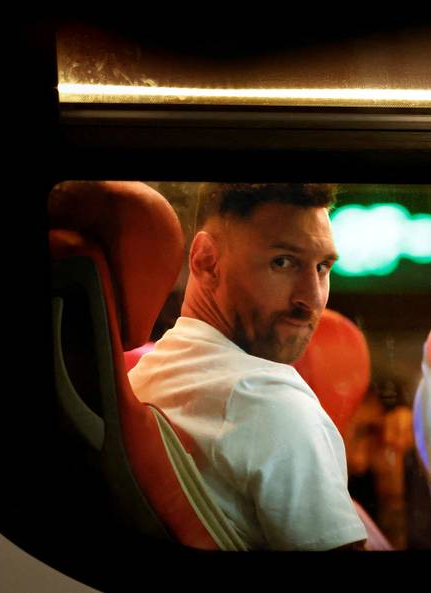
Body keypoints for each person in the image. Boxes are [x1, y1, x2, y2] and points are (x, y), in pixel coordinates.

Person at [128, 183, 377, 551]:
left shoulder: (147, 376)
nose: (310, 299)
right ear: (206, 262)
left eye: (323, 266)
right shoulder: (265, 397)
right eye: (283, 262)